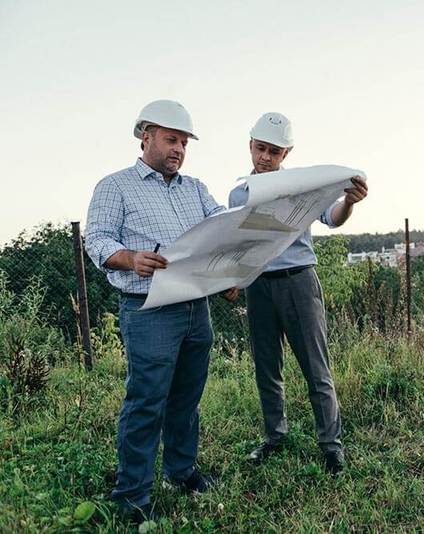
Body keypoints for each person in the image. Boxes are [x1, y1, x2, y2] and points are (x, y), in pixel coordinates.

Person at [85, 99, 238, 523]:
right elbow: (95, 239)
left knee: (186, 399)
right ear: (146, 135)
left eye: (184, 143)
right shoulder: (115, 186)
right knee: (147, 401)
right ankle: (132, 494)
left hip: (195, 306)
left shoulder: (195, 189)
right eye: (172, 140)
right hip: (149, 310)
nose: (179, 150)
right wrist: (130, 257)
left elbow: (223, 228)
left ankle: (181, 472)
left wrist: (229, 273)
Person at [229, 112, 368, 475]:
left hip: (299, 282)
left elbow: (332, 218)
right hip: (258, 286)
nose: (265, 157)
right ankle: (275, 437)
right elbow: (237, 243)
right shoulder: (238, 193)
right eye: (260, 149)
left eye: (273, 152)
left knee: (315, 368)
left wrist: (350, 202)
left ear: (286, 153)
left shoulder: (305, 186)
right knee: (266, 367)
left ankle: (331, 447)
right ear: (250, 146)